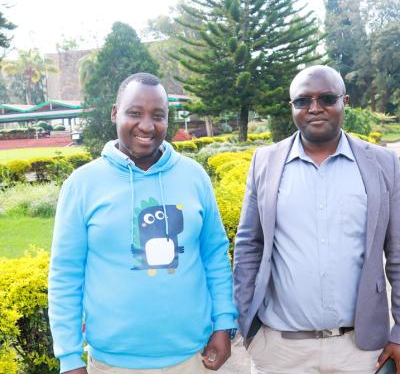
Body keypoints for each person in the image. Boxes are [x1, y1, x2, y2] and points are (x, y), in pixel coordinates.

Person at [48, 72, 237, 374]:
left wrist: (224, 323)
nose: (147, 126)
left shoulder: (193, 176)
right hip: (113, 364)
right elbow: (66, 275)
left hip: (192, 358)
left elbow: (214, 254)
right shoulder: (82, 185)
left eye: (158, 116)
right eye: (135, 113)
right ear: (115, 113)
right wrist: (69, 358)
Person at [233, 65, 400, 373]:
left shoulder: (384, 163)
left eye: (326, 98)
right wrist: (247, 323)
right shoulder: (265, 163)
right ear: (292, 106)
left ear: (345, 101)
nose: (314, 108)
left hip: (360, 351)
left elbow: (398, 254)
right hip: (281, 352)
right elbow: (248, 246)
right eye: (303, 101)